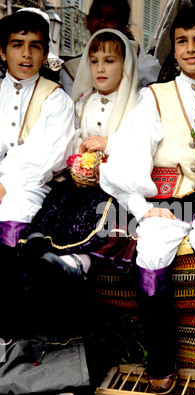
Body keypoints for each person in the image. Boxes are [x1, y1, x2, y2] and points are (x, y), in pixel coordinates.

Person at [98, 7, 195, 393]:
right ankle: (161, 361)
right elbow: (129, 158)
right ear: (174, 48)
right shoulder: (155, 97)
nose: (190, 48)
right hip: (169, 197)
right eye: (182, 40)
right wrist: (145, 210)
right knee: (151, 249)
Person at [21, 28, 139, 286]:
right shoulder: (84, 101)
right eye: (94, 61)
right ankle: (41, 248)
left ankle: (78, 263)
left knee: (100, 211)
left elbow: (140, 142)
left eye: (109, 61)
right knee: (59, 201)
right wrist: (79, 154)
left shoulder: (138, 104)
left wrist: (108, 144)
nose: (100, 69)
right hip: (82, 182)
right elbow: (73, 137)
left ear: (126, 65)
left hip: (115, 184)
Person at [0, 9, 74, 316]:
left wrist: (3, 185)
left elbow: (44, 158)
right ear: (2, 52)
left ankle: (9, 323)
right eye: (17, 44)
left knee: (12, 210)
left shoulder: (57, 99)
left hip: (32, 186)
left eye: (35, 45)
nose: (26, 54)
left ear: (45, 54)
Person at [60, 0, 161, 95]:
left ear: (124, 28)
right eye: (98, 15)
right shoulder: (71, 69)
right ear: (87, 21)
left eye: (111, 18)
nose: (102, 20)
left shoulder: (137, 56)